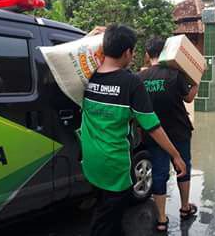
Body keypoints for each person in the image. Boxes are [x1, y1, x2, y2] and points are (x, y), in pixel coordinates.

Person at [80, 25, 187, 236]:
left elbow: (69, 59)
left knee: (108, 213)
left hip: (90, 161)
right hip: (114, 165)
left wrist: (87, 38)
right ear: (128, 52)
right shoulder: (131, 83)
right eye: (133, 51)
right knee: (105, 220)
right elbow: (152, 126)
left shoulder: (87, 76)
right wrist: (176, 155)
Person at [138, 37, 199, 232]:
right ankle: (184, 208)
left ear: (147, 55)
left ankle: (162, 219)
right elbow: (188, 98)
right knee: (183, 167)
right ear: (165, 52)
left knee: (159, 173)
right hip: (179, 132)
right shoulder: (175, 74)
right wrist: (197, 80)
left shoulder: (139, 79)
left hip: (154, 135)